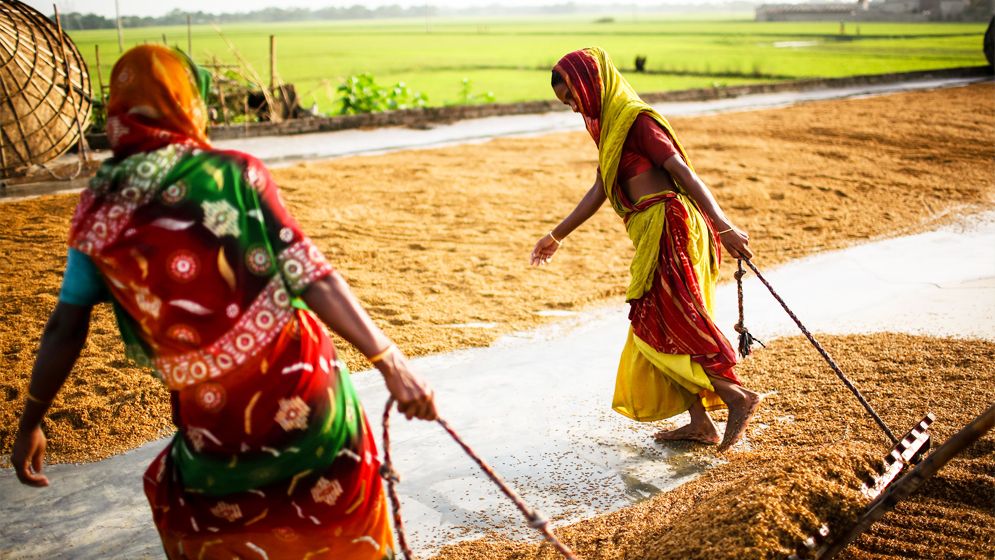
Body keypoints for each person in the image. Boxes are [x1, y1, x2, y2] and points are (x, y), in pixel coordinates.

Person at [10, 45, 436, 560]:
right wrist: (390, 361)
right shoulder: (234, 175)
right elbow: (312, 275)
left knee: (213, 530)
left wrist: (31, 420)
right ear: (190, 102)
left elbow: (65, 324)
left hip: (215, 428)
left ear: (119, 112)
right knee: (340, 534)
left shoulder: (100, 206)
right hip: (309, 398)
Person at [531, 47, 760, 451]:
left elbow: (683, 174)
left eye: (572, 97)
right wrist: (556, 235)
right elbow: (602, 187)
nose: (572, 108)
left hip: (671, 227)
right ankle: (700, 423)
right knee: (659, 324)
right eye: (566, 103)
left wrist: (723, 226)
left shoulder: (636, 121)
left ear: (590, 84)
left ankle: (737, 397)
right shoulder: (608, 128)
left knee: (674, 318)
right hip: (649, 230)